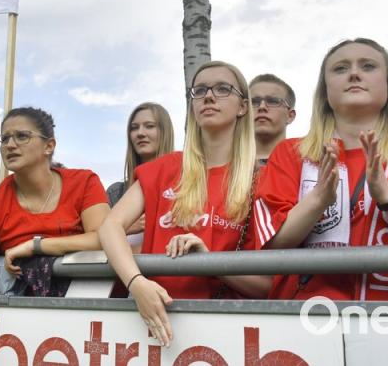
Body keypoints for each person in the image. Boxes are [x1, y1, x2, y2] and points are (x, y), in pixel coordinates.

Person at [99, 61, 268, 346]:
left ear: (242, 107)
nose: (209, 96)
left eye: (222, 89)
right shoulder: (165, 167)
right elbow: (110, 226)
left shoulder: (260, 178)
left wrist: (209, 261)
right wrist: (137, 283)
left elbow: (267, 286)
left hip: (225, 331)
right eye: (199, 90)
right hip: (151, 324)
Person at [255, 38, 388, 301]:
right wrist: (317, 200)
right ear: (325, 91)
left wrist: (386, 195)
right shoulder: (292, 153)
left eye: (368, 66)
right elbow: (273, 247)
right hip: (308, 315)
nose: (354, 74)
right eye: (340, 68)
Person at [0, 107, 109, 366]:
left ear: (49, 146)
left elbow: (104, 238)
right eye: (4, 138)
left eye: (21, 136)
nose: (10, 145)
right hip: (26, 328)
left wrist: (36, 246)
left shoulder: (84, 181)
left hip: (95, 320)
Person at [106, 103, 174, 254]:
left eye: (149, 126)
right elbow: (95, 242)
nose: (140, 133)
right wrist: (124, 227)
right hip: (123, 276)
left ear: (164, 132)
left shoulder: (185, 187)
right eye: (134, 128)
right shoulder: (116, 192)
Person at [249, 73, 297, 164]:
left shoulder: (307, 166)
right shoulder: (224, 164)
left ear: (290, 115)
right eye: (254, 102)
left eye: (273, 101)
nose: (262, 107)